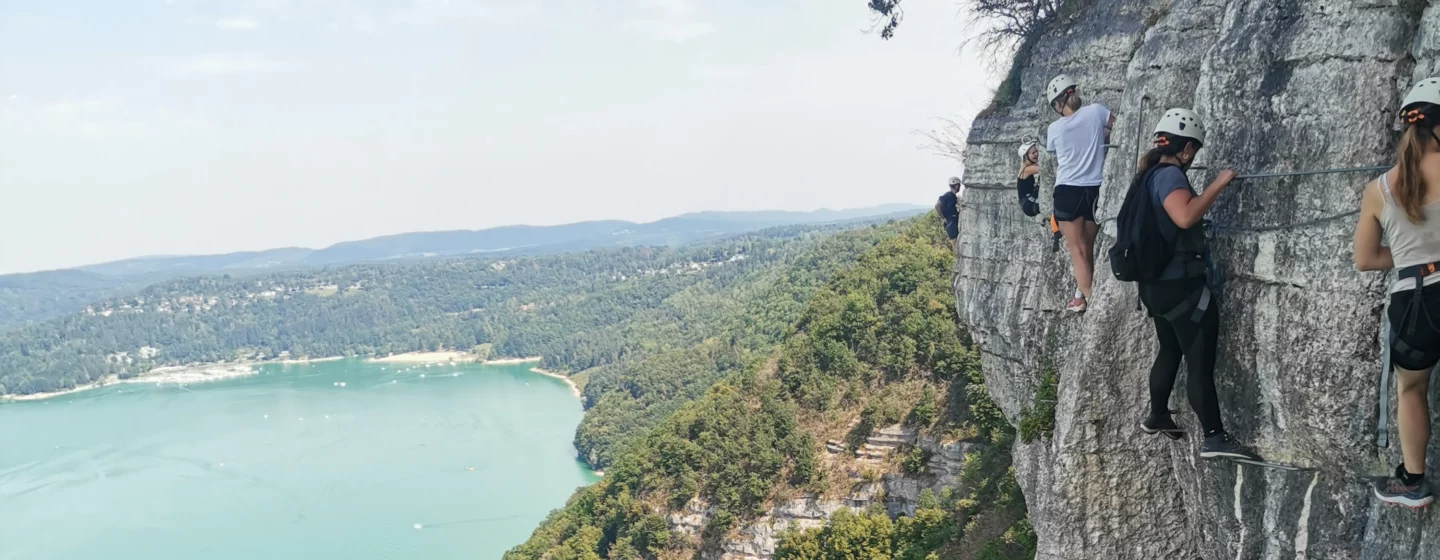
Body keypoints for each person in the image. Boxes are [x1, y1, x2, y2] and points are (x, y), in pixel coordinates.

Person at [1130, 108, 1258, 461]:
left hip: (1154, 288)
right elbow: (1184, 215)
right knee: (1199, 362)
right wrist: (1218, 183)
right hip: (1181, 287)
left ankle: (1157, 415)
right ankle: (1214, 437)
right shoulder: (1170, 176)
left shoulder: (1146, 176)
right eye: (1194, 152)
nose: (1192, 158)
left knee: (1170, 350)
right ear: (1185, 150)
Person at [1356, 77, 1440, 508]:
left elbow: (1366, 258)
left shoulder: (1379, 189)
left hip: (1414, 300)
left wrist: (1412, 254)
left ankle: (1412, 481)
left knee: (1412, 390)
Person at [1045, 75, 1114, 313]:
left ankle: (1090, 299)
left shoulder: (1054, 128)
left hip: (1067, 191)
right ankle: (1080, 295)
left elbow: (1053, 150)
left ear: (1057, 104)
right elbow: (1117, 129)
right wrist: (1100, 140)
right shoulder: (1096, 112)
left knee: (1077, 250)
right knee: (1088, 247)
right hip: (1093, 189)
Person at [936, 177, 962, 252]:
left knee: (956, 242)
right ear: (956, 186)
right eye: (958, 185)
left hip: (952, 221)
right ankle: (957, 261)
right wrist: (942, 217)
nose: (959, 187)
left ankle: (957, 260)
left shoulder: (952, 196)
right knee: (954, 243)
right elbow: (937, 205)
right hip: (950, 222)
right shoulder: (948, 195)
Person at [1017, 142, 1041, 217]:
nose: (1036, 154)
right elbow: (1045, 168)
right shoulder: (1027, 169)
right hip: (1030, 204)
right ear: (1026, 156)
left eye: (1036, 151)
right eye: (1033, 153)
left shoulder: (1024, 165)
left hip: (1027, 202)